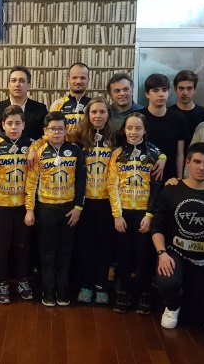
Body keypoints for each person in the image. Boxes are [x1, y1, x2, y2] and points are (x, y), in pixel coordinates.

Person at [151, 142, 204, 329]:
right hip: (174, 254)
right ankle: (172, 306)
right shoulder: (171, 189)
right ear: (187, 163)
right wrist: (162, 253)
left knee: (197, 319)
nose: (201, 167)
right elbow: (157, 226)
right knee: (168, 281)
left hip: (202, 261)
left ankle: (187, 299)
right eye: (197, 161)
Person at [25, 111, 86, 307]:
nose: (57, 132)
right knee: (47, 251)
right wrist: (30, 209)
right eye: (53, 129)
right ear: (45, 131)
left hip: (69, 208)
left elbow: (81, 181)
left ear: (66, 130)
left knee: (66, 251)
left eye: (60, 129)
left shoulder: (75, 150)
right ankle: (48, 288)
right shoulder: (39, 151)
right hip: (46, 208)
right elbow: (31, 183)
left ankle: (62, 288)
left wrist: (78, 207)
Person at [108, 113, 163, 314]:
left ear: (145, 130)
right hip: (123, 213)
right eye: (129, 128)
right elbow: (112, 185)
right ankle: (124, 292)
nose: (133, 132)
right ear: (124, 129)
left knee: (144, 255)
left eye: (138, 128)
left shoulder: (154, 153)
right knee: (124, 255)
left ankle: (145, 293)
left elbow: (156, 187)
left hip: (143, 213)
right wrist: (117, 215)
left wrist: (149, 215)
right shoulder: (117, 154)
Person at [0, 105, 34, 304]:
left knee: (23, 246)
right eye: (9, 123)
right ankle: (1, 283)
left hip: (23, 205)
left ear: (24, 125)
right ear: (3, 125)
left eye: (17, 123)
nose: (13, 127)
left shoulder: (32, 144)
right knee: (0, 247)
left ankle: (22, 280)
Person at [70, 98, 117, 305]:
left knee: (105, 246)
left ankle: (102, 286)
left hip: (107, 201)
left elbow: (145, 146)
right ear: (88, 115)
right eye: (94, 112)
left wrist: (161, 158)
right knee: (85, 245)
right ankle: (86, 284)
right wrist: (32, 150)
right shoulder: (78, 137)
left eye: (102, 112)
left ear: (108, 115)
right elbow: (49, 137)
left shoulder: (116, 138)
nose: (98, 116)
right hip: (84, 201)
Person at [140, 74, 186, 182]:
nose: (161, 94)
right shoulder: (138, 117)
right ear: (147, 94)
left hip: (170, 178)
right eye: (155, 90)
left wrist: (179, 179)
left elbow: (180, 153)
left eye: (164, 90)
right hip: (142, 177)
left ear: (169, 92)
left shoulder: (178, 118)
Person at [0, 66, 48, 139]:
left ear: (28, 85)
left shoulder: (40, 109)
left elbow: (44, 136)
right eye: (14, 80)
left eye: (22, 81)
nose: (17, 84)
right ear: (9, 85)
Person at [168, 70, 204, 151]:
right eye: (181, 88)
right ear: (175, 89)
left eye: (189, 88)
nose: (185, 93)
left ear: (195, 90)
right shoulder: (168, 114)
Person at [49, 62, 92, 132]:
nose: (78, 81)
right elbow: (51, 132)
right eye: (74, 78)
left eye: (83, 78)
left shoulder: (93, 104)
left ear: (88, 80)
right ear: (68, 79)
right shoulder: (57, 105)